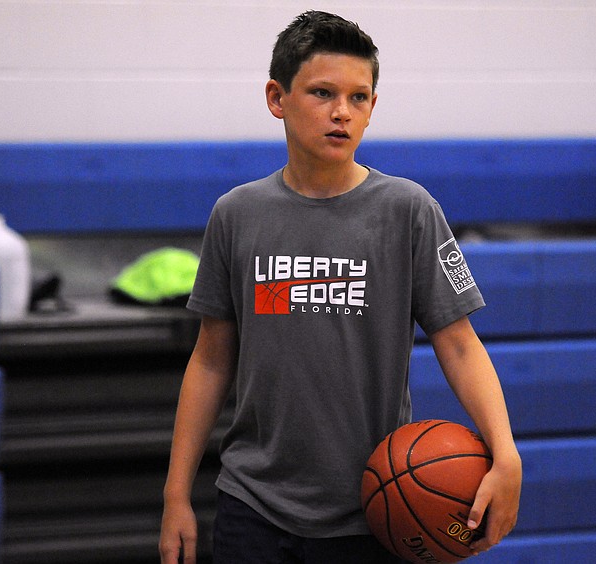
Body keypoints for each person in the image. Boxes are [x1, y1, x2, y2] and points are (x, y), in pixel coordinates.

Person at [159, 10, 522, 564]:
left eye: (359, 98)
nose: (341, 112)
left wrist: (506, 454)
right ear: (277, 98)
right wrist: (175, 492)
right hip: (251, 505)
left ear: (373, 107)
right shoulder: (235, 214)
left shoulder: (409, 210)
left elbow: (459, 343)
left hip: (371, 511)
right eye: (322, 92)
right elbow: (210, 360)